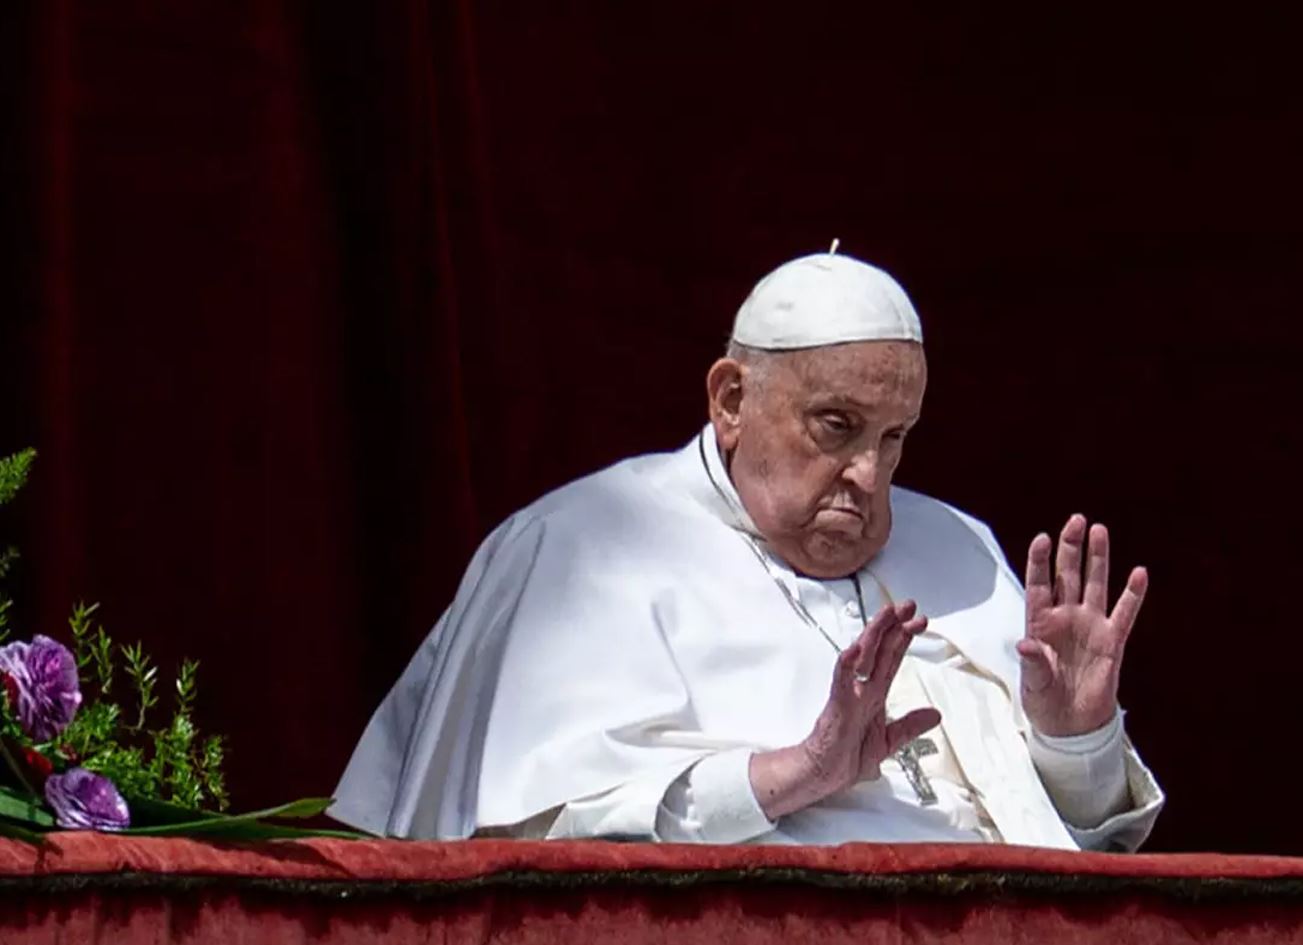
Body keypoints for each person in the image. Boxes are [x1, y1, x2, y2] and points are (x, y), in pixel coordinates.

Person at [330, 250, 1164, 849]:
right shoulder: (579, 547)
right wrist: (796, 773)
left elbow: (1085, 840)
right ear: (731, 399)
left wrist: (1074, 739)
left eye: (894, 437)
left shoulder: (958, 547)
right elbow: (535, 850)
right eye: (836, 426)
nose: (869, 475)